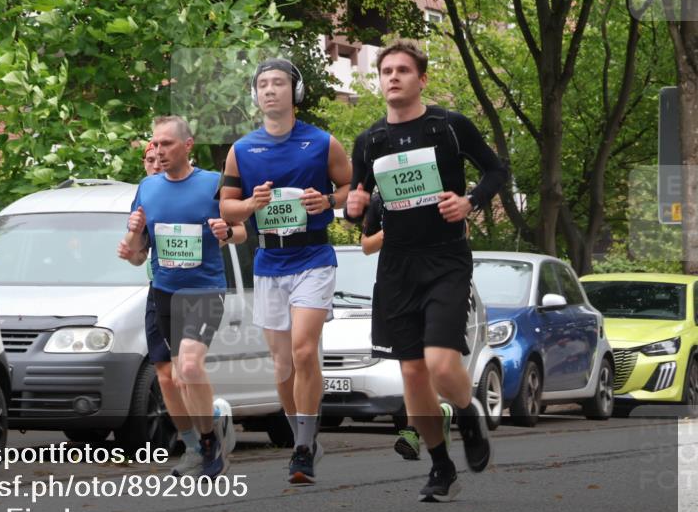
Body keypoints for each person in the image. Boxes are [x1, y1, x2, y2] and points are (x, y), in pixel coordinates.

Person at [345, 39, 507, 502]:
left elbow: (497, 171)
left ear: (422, 79)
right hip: (396, 266)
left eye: (402, 70)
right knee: (412, 374)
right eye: (386, 71)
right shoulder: (370, 140)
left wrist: (469, 201)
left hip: (446, 259)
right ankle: (441, 468)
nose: (392, 77)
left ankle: (468, 410)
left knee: (439, 363)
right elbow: (359, 204)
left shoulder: (448, 126)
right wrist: (354, 207)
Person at [219, 58, 352, 484]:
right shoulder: (241, 149)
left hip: (313, 257)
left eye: (279, 83)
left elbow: (352, 188)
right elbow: (227, 207)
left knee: (303, 349)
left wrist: (327, 202)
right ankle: (305, 437)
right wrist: (251, 206)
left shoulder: (322, 142)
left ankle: (300, 450)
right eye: (263, 84)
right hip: (269, 261)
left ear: (294, 92)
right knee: (281, 366)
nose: (270, 90)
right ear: (254, 95)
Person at [119, 116, 246, 479]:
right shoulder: (147, 187)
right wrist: (131, 243)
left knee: (190, 366)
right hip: (164, 292)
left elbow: (240, 233)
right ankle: (200, 440)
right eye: (155, 145)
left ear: (187, 145)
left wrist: (227, 230)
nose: (159, 151)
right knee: (173, 377)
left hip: (205, 289)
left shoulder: (211, 184)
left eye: (167, 144)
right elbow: (140, 254)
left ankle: (208, 445)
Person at [361, 193, 457, 462]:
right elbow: (366, 245)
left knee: (423, 362)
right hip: (394, 288)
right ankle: (435, 416)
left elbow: (464, 227)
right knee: (409, 365)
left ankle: (413, 429)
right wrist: (388, 233)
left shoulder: (433, 189)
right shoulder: (379, 199)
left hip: (432, 284)